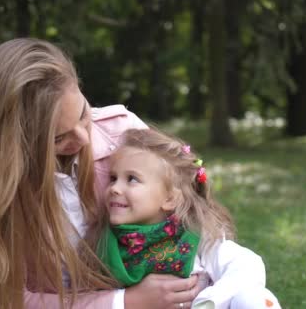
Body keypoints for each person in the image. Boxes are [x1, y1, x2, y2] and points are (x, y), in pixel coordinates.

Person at [0, 38, 202, 308]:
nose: (84, 137)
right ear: (15, 144)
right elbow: (8, 301)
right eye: (58, 138)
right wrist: (124, 302)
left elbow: (193, 214)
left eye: (83, 112)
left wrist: (206, 277)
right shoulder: (1, 194)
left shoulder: (123, 133)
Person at [88, 128, 282, 308]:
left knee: (254, 298)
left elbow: (248, 265)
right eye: (113, 178)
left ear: (170, 198)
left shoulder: (194, 234)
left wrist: (209, 301)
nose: (114, 188)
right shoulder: (104, 243)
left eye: (132, 179)